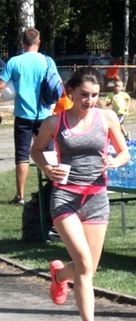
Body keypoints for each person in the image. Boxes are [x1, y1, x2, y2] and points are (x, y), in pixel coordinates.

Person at [30, 67, 130, 321]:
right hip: (65, 197)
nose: (90, 100)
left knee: (89, 268)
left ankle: (59, 276)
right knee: (84, 264)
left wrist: (115, 162)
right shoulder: (55, 122)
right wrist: (48, 168)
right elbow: (36, 151)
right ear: (70, 92)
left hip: (97, 197)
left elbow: (124, 152)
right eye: (84, 95)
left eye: (95, 95)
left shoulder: (107, 117)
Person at [0, 28, 60, 205]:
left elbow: (1, 85)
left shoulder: (14, 62)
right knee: (48, 151)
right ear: (39, 42)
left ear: (23, 43)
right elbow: (57, 85)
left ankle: (20, 195)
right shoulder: (48, 61)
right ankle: (54, 188)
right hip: (44, 114)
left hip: (23, 115)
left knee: (22, 154)